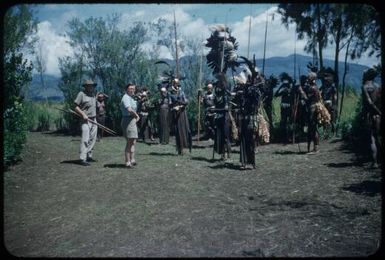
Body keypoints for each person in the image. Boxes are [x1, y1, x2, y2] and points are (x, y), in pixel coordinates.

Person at [74, 79, 98, 166]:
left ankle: (89, 156)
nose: (91, 87)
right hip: (85, 120)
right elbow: (76, 107)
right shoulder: (81, 94)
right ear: (86, 86)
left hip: (94, 119)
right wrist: (83, 114)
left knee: (92, 138)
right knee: (85, 139)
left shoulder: (93, 94)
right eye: (89, 86)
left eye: (92, 86)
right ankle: (82, 158)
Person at [361, 68, 381, 168]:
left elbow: (369, 102)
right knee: (378, 137)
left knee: (372, 139)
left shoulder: (365, 87)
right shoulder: (378, 86)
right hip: (378, 116)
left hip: (370, 115)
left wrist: (376, 110)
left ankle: (375, 162)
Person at [169, 78, 192, 155]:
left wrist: (182, 105)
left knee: (185, 130)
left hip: (182, 113)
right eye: (175, 83)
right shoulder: (170, 93)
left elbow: (186, 101)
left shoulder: (182, 92)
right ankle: (179, 148)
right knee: (178, 131)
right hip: (176, 114)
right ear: (173, 84)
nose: (176, 84)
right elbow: (169, 104)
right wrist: (174, 108)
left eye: (177, 83)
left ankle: (186, 147)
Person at [120, 83, 140, 168]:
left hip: (132, 120)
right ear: (126, 89)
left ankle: (132, 159)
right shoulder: (125, 97)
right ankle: (127, 162)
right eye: (130, 88)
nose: (132, 90)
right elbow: (129, 109)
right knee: (129, 142)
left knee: (133, 141)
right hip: (128, 120)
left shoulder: (131, 98)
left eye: (133, 89)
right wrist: (136, 115)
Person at [275, 72, 293, 144]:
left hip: (289, 108)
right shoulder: (283, 91)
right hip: (283, 107)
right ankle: (284, 138)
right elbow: (276, 95)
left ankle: (290, 137)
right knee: (284, 122)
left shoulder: (291, 90)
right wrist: (280, 87)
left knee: (289, 123)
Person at [319, 67, 337, 135]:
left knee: (331, 117)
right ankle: (325, 131)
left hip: (329, 103)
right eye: (325, 77)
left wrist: (334, 105)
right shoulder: (323, 86)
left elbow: (335, 97)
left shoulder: (332, 87)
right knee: (324, 117)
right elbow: (320, 92)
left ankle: (333, 131)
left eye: (327, 76)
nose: (326, 79)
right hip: (324, 103)